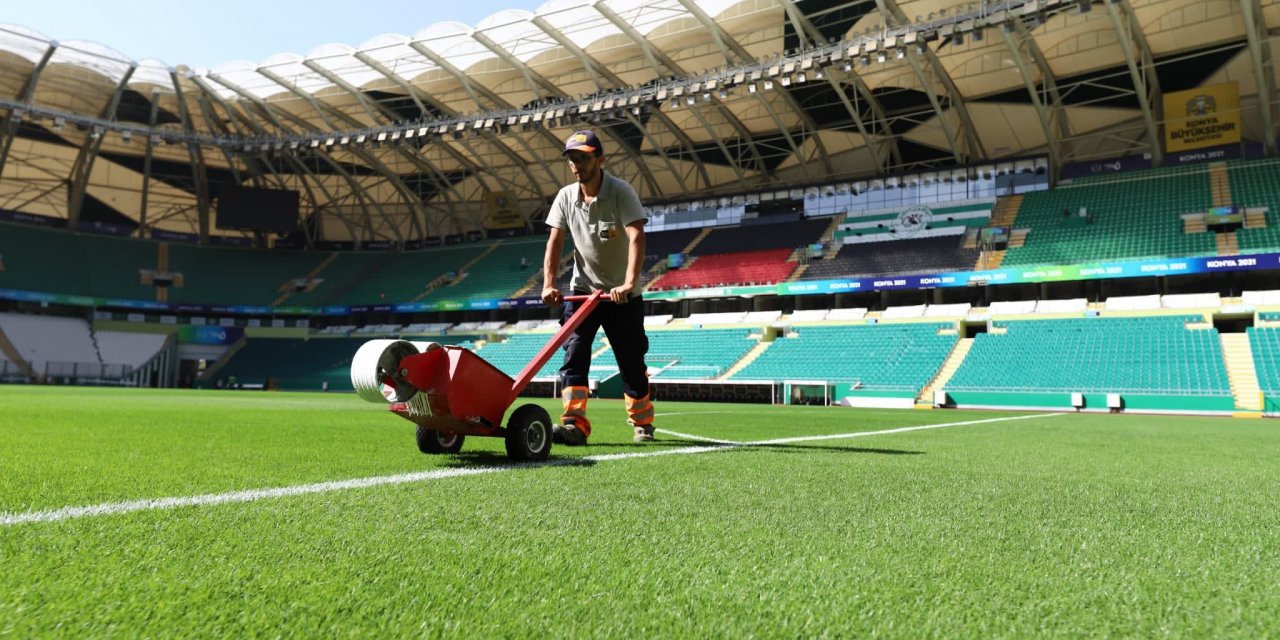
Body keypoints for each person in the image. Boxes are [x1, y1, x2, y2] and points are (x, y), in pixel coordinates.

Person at [542, 130, 655, 445]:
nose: (577, 164)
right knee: (574, 354)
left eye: (584, 157)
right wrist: (549, 284)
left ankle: (642, 423)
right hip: (583, 292)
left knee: (631, 360)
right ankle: (573, 423)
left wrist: (629, 283)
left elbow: (637, 236)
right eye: (573, 159)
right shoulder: (566, 197)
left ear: (600, 160)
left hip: (622, 296)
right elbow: (555, 241)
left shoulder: (621, 192)